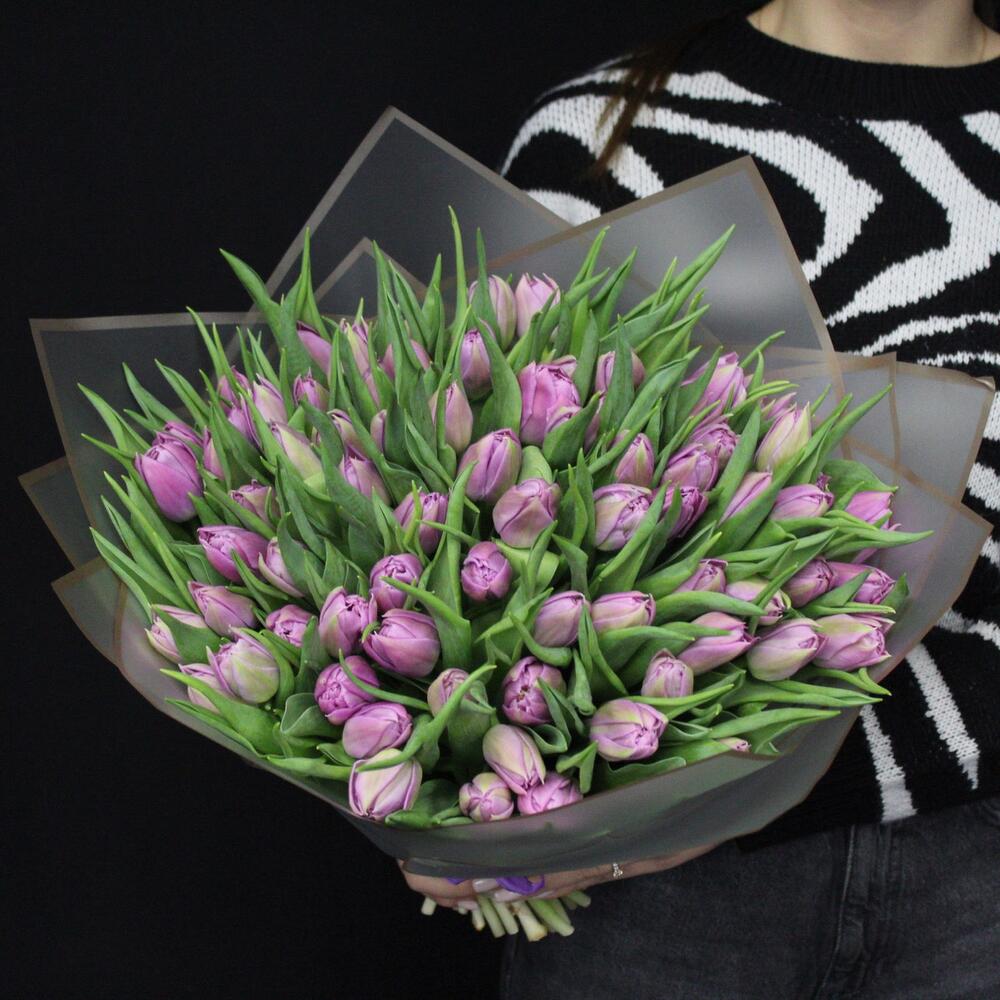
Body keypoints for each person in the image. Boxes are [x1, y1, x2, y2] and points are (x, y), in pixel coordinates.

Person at [403, 2, 1000, 996]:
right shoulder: (600, 137)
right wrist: (455, 774)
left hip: (976, 878)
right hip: (651, 900)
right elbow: (475, 508)